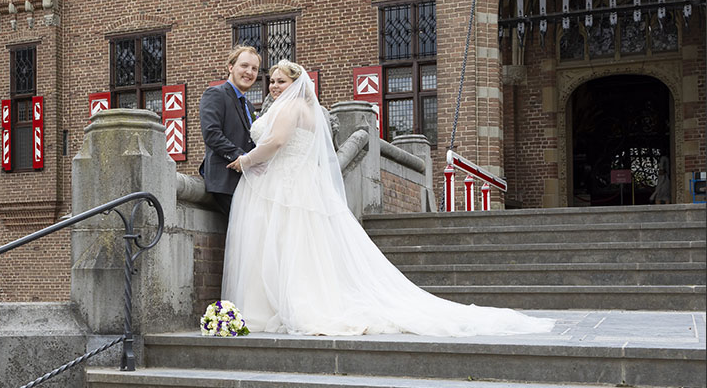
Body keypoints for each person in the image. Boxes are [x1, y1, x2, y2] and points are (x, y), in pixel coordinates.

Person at [222, 60, 554, 337]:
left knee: (286, 244)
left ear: (296, 83)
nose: (274, 87)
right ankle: (294, 300)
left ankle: (285, 304)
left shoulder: (290, 107)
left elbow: (277, 142)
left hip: (284, 185)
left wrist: (245, 161)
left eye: (281, 81)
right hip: (300, 185)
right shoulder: (311, 111)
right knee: (300, 248)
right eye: (273, 82)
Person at [199, 46, 261, 216]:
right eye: (244, 66)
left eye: (254, 68)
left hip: (248, 181)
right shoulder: (215, 94)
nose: (249, 72)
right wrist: (241, 158)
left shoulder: (248, 105)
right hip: (225, 181)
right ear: (231, 67)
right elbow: (211, 133)